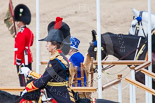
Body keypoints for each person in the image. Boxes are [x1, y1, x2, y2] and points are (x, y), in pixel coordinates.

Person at [20, 17, 75, 103]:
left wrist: (28, 88)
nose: (46, 45)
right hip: (58, 93)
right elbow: (47, 76)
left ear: (54, 45)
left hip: (58, 96)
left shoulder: (56, 60)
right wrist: (29, 72)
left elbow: (44, 80)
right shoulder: (59, 57)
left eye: (48, 43)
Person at [14, 4, 34, 87]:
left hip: (22, 58)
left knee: (22, 80)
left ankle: (24, 96)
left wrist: (18, 59)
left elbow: (20, 47)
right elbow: (31, 43)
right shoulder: (29, 31)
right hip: (28, 57)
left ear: (20, 21)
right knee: (28, 77)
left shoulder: (21, 33)